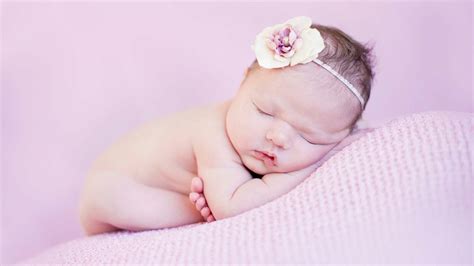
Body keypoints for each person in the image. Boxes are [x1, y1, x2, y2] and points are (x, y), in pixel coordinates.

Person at [79, 16, 375, 235]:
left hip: (154, 188)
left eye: (310, 137)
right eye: (265, 112)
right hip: (112, 190)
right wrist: (315, 162)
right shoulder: (213, 135)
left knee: (202, 204)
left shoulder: (250, 135)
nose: (278, 137)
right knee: (132, 200)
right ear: (243, 81)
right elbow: (232, 208)